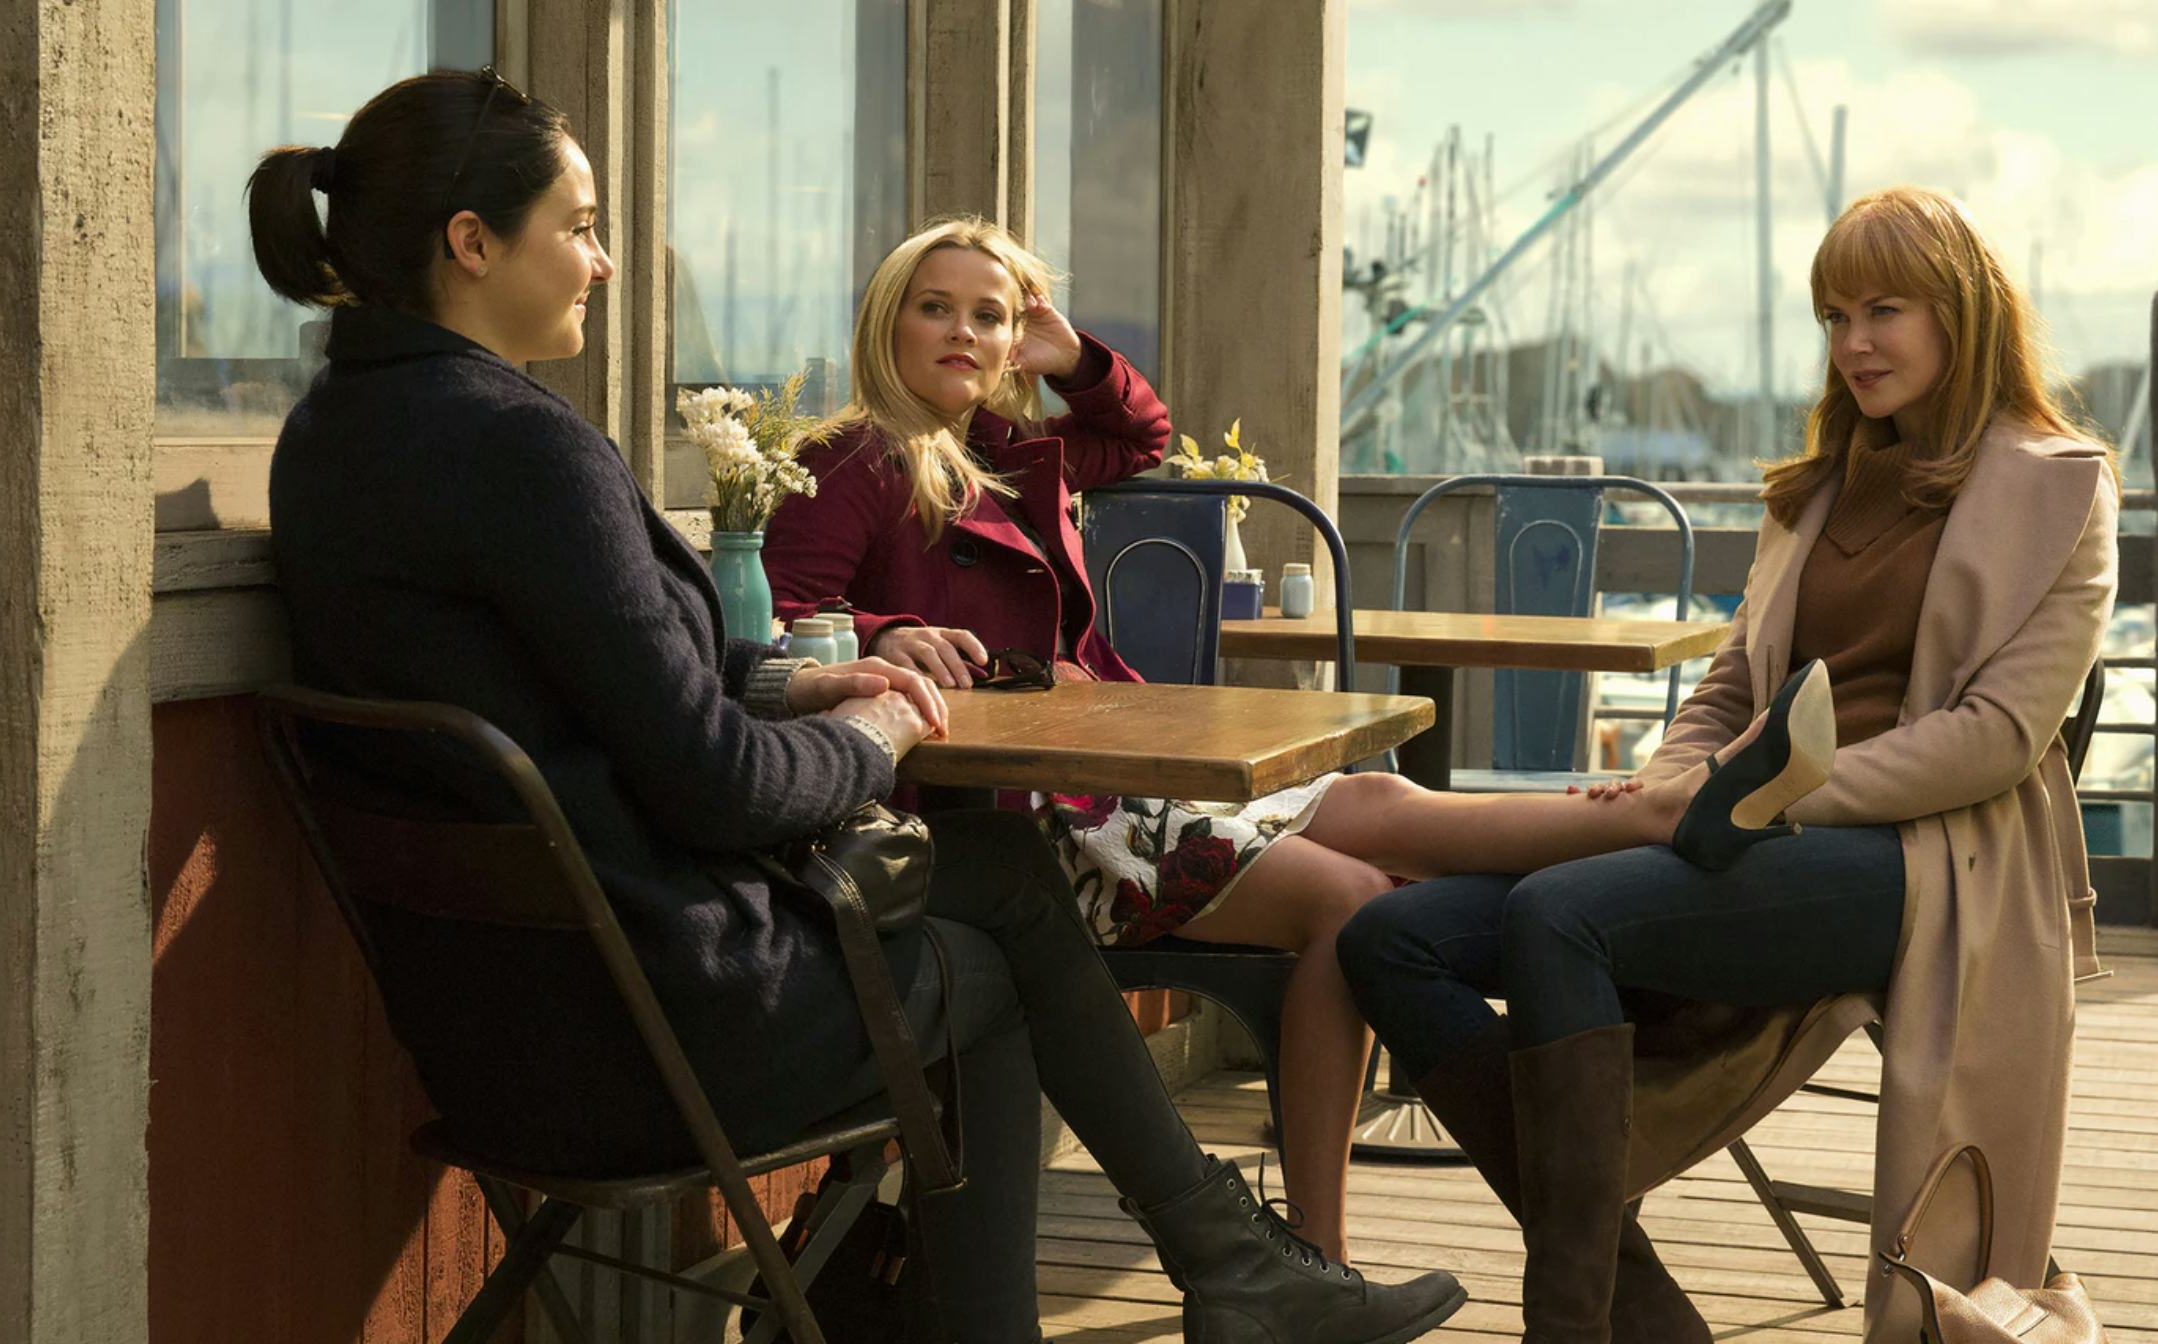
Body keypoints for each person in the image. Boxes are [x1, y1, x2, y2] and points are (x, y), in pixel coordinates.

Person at [247, 70, 1467, 1344]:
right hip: (662, 1029)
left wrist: (796, 678)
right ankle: (1182, 1279)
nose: (602, 262)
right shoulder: (521, 447)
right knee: (997, 961)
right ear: (472, 242)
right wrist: (870, 733)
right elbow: (718, 786)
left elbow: (584, 671)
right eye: (582, 226)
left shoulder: (334, 436)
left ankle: (1225, 1263)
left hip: (496, 1026)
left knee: (1003, 870)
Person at [762, 215, 1835, 1263]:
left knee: (1379, 805)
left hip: (1100, 781)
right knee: (1354, 900)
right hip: (1014, 827)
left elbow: (1137, 436)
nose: (964, 330)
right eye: (935, 307)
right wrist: (882, 630)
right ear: (886, 322)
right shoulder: (848, 458)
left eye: (991, 315)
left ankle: (1657, 812)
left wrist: (1075, 356)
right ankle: (1316, 1254)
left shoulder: (1001, 449)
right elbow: (774, 627)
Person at [1335, 185, 2118, 1343]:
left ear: (1958, 312)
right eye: (1833, 315)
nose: (1851, 343)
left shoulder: (2056, 484)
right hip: (1741, 831)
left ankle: (1571, 1325)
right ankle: (1637, 1308)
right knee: (1388, 936)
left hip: (1925, 863)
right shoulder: (1815, 489)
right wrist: (1678, 779)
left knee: (1558, 912)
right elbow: (1728, 689)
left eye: (1882, 311)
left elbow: (1994, 737)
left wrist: (1760, 801)